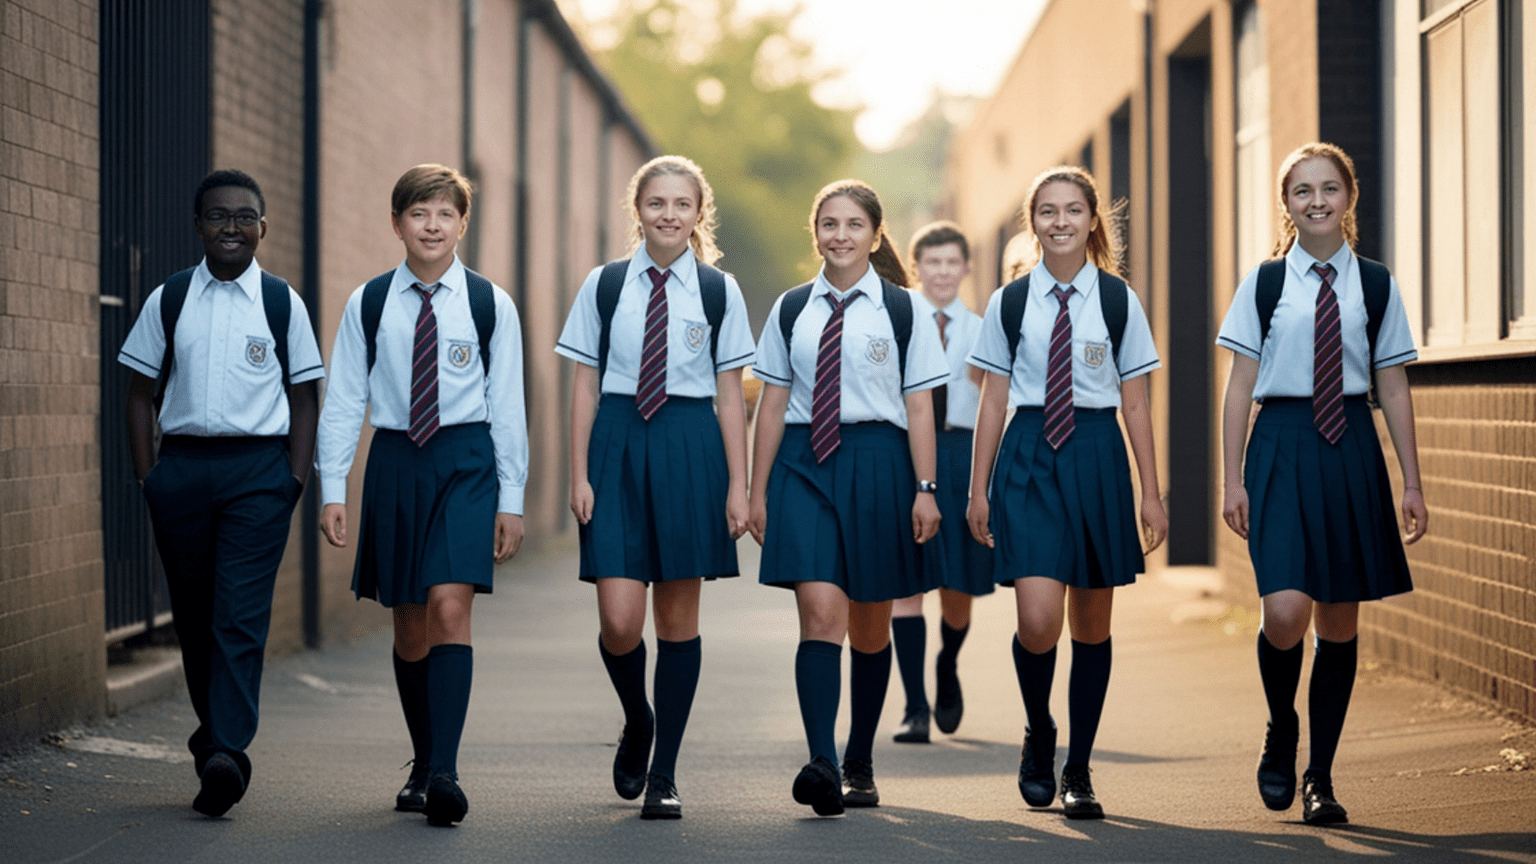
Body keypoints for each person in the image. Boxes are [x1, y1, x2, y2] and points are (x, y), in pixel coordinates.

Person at [1217, 142, 1426, 827]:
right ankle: (1283, 728)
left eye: (1328, 188)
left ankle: (1320, 777)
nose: (1316, 200)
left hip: (1350, 451)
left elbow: (1392, 384)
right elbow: (1239, 386)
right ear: (1287, 205)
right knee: (1284, 612)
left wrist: (1411, 482)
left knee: (1339, 618)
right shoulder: (1266, 283)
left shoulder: (1374, 283)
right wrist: (1232, 480)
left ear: (1349, 197)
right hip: (1280, 443)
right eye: (1302, 190)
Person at [317, 164, 527, 826]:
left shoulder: (491, 304)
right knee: (409, 619)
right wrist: (333, 485)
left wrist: (511, 496)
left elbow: (507, 404)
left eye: (444, 214)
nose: (431, 225)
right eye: (417, 214)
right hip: (397, 461)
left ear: (463, 223)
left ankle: (446, 772)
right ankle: (422, 756)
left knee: (448, 607)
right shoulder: (369, 302)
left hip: (466, 461)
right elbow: (346, 395)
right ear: (396, 223)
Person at [120, 168, 325, 817]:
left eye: (244, 216)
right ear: (198, 226)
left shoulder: (282, 303)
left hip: (257, 475)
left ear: (263, 226)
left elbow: (304, 396)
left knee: (238, 611)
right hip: (180, 472)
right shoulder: (170, 298)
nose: (231, 227)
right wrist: (148, 476)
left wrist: (293, 478)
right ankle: (213, 737)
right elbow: (136, 393)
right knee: (195, 612)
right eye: (218, 216)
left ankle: (228, 753)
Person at [555, 155, 753, 820]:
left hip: (690, 443)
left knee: (676, 619)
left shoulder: (718, 292)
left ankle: (664, 769)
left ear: (700, 215)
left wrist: (739, 485)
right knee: (618, 621)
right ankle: (637, 717)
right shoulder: (605, 285)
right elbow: (583, 381)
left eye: (682, 204)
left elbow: (731, 394)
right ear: (637, 211)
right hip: (616, 440)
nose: (669, 214)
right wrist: (578, 471)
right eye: (656, 203)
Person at [966, 166, 1166, 820]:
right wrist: (977, 490)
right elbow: (992, 400)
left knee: (1091, 623)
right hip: (1027, 455)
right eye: (1047, 211)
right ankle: (1038, 731)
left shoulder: (1117, 301)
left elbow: (1136, 402)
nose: (1060, 222)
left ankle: (1079, 766)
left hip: (1096, 451)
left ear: (1091, 220)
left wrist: (1151, 492)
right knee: (1037, 620)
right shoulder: (1011, 303)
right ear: (1034, 223)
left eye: (1072, 210)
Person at [748, 179, 947, 816]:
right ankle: (822, 761)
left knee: (869, 623)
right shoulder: (790, 310)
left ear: (875, 234)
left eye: (854, 225)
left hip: (881, 464)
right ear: (816, 233)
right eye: (829, 224)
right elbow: (772, 403)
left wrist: (925, 490)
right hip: (804, 465)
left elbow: (920, 408)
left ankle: (859, 756)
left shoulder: (903, 311)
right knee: (821, 612)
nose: (841, 235)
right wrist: (755, 490)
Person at [888, 222, 994, 744]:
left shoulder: (982, 328)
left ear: (966, 268)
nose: (944, 272)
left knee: (958, 587)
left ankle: (947, 664)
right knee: (907, 583)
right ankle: (914, 707)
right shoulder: (898, 323)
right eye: (933, 263)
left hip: (963, 454)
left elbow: (997, 398)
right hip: (909, 454)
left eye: (953, 262)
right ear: (917, 268)